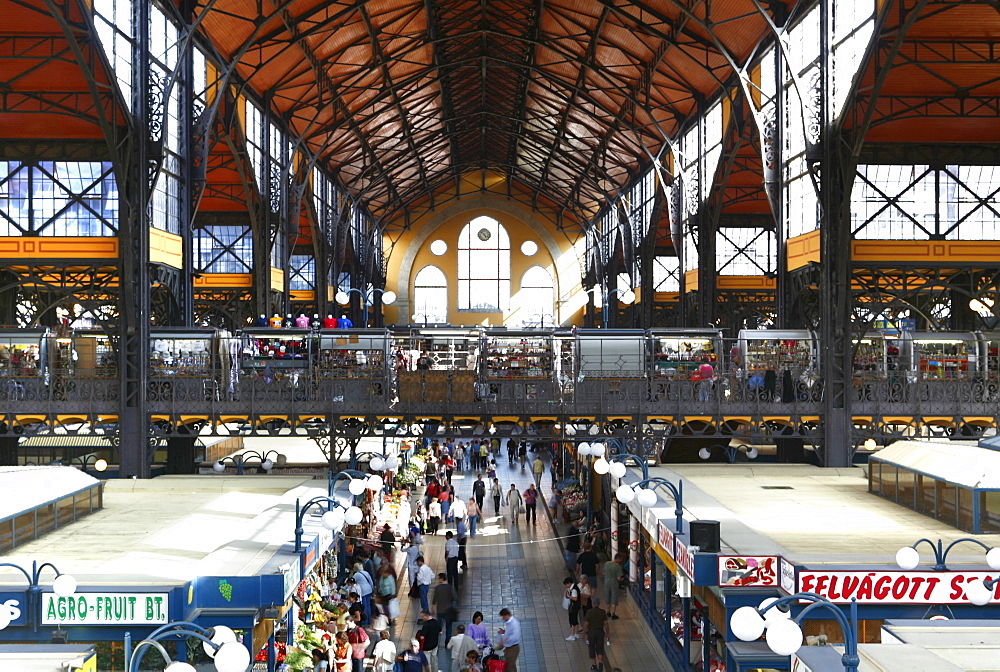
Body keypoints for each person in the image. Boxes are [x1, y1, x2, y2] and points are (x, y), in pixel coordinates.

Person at [583, 596, 610, 672]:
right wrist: (607, 633)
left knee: (592, 648)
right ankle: (600, 664)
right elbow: (606, 624)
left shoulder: (589, 612)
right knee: (600, 648)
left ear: (593, 603)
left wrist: (584, 632)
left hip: (591, 632)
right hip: (600, 632)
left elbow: (586, 623)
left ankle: (594, 665)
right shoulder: (602, 612)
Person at [432, 572, 458, 639]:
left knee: (438, 627)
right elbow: (455, 597)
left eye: (439, 578)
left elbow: (434, 599)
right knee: (448, 627)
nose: (438, 580)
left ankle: (436, 641)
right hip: (448, 610)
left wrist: (433, 609)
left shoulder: (437, 588)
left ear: (442, 579)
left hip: (440, 610)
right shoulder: (450, 587)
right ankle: (447, 643)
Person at [496, 608, 521, 672]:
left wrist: (504, 640)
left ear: (507, 615)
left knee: (510, 666)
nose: (502, 618)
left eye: (503, 616)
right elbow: (511, 632)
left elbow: (515, 637)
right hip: (509, 648)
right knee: (508, 666)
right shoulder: (509, 623)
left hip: (513, 648)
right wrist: (504, 631)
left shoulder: (514, 623)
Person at [602, 554, 624, 619]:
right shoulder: (618, 566)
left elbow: (604, 573)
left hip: (606, 583)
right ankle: (613, 614)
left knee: (607, 597)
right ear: (619, 559)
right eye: (621, 559)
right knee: (614, 598)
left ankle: (607, 612)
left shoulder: (606, 563)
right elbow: (619, 578)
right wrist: (622, 579)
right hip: (614, 584)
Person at [564, 576, 582, 641]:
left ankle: (572, 635)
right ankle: (576, 634)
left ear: (569, 583)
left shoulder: (573, 590)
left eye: (566, 584)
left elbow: (575, 598)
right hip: (576, 606)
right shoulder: (574, 588)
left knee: (572, 620)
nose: (566, 586)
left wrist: (569, 596)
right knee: (575, 620)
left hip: (573, 606)